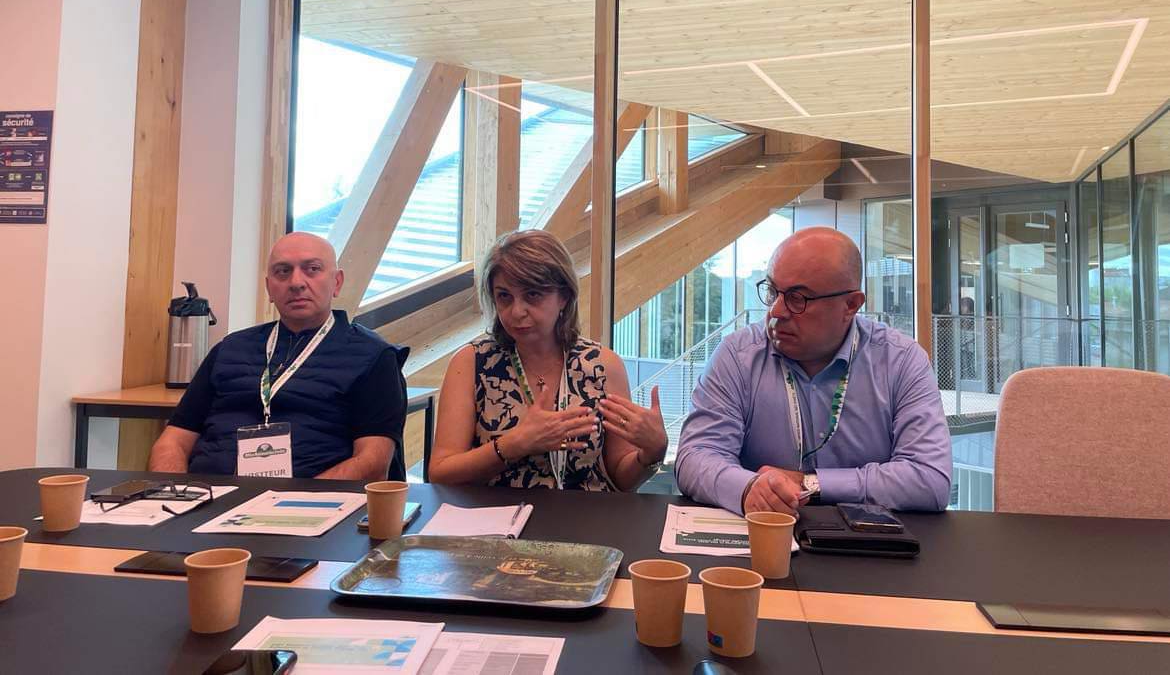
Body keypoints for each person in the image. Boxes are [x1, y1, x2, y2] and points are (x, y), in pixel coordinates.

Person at [675, 227, 951, 515]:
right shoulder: (737, 356)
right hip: (763, 531)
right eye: (773, 291)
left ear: (851, 305)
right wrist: (749, 488)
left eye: (798, 298)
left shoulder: (900, 361)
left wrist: (811, 483)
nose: (776, 311)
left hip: (866, 537)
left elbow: (930, 478)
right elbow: (695, 457)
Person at [148, 232, 407, 481]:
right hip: (209, 496)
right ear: (269, 288)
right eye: (283, 271)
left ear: (336, 282)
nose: (296, 282)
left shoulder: (372, 356)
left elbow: (373, 463)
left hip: (309, 501)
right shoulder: (230, 349)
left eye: (312, 269)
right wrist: (174, 494)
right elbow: (173, 441)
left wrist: (300, 501)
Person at [429, 229, 667, 491]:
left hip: (585, 514)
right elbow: (441, 473)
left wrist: (652, 453)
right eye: (504, 296)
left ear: (563, 296)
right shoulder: (472, 363)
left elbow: (621, 479)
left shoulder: (601, 365)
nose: (516, 311)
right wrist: (513, 445)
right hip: (496, 515)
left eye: (532, 295)